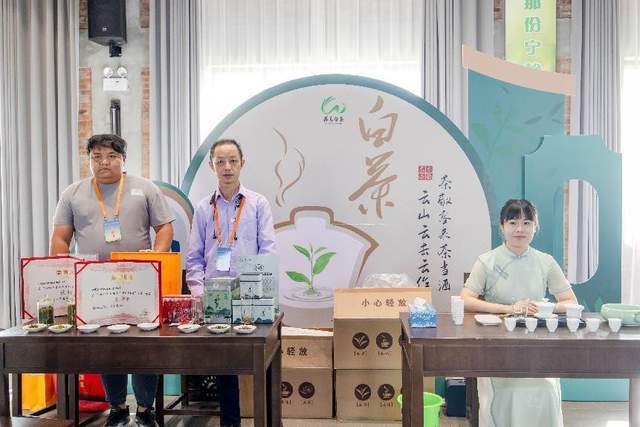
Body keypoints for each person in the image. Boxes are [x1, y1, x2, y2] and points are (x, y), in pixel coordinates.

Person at [50, 134, 175, 427]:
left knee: (145, 344)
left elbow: (165, 228)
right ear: (89, 160)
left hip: (139, 282)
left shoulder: (145, 188)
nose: (103, 162)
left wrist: (156, 256)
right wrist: (63, 272)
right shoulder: (73, 193)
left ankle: (145, 409)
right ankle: (117, 407)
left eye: (111, 156)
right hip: (95, 285)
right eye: (97, 157)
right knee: (106, 346)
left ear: (123, 159)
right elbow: (60, 237)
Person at [460, 199, 578, 427]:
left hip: (536, 346)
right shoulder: (487, 261)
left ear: (535, 226)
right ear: (502, 226)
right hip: (496, 345)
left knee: (545, 389)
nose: (520, 229)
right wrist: (509, 309)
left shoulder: (545, 261)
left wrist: (543, 307)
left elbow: (570, 301)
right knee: (508, 392)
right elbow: (466, 299)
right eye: (513, 222)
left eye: (527, 222)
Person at [186, 138, 276, 427]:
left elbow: (268, 250)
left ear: (242, 163)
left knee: (264, 359)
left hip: (251, 294)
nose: (227, 167)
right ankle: (230, 423)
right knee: (225, 366)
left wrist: (259, 289)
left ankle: (268, 420)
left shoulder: (258, 204)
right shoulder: (203, 208)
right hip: (215, 297)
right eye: (220, 162)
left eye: (233, 161)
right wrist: (198, 292)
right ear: (212, 166)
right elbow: (194, 256)